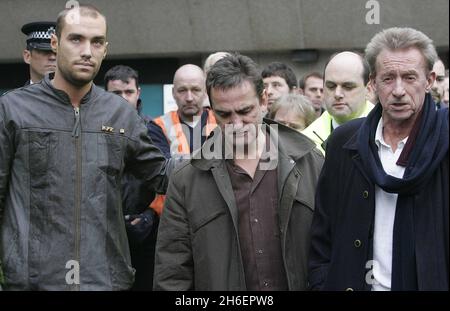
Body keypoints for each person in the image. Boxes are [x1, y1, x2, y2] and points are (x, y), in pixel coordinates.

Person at [0, 4, 173, 290]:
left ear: (105, 49)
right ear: (55, 44)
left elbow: (161, 173)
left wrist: (222, 150)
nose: (87, 51)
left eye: (97, 42)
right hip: (33, 282)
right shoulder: (13, 109)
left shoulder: (121, 114)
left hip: (105, 279)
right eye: (76, 39)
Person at [153, 53, 324, 291]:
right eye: (224, 114)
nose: (237, 124)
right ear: (211, 110)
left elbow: (332, 253)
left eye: (245, 111)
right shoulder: (186, 180)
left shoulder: (311, 164)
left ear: (264, 101)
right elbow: (172, 274)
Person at [308, 27, 448, 291]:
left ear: (429, 80)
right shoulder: (345, 142)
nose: (398, 90)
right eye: (388, 78)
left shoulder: (445, 139)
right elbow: (323, 234)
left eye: (409, 77)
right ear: (372, 83)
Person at [104, 65, 158, 291]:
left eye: (128, 92)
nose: (123, 98)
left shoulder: (152, 129)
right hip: (105, 231)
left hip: (145, 232)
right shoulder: (93, 129)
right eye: (116, 94)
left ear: (138, 93)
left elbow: (164, 178)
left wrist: (150, 214)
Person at [147, 64, 217, 215]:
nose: (189, 98)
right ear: (173, 93)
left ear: (205, 92)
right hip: (174, 214)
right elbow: (162, 173)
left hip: (216, 212)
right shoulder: (158, 126)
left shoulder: (221, 121)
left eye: (196, 90)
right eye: (182, 90)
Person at [302, 51, 374, 154]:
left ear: (368, 89)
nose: (337, 94)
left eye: (348, 86)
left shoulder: (388, 131)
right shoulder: (307, 140)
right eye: (331, 86)